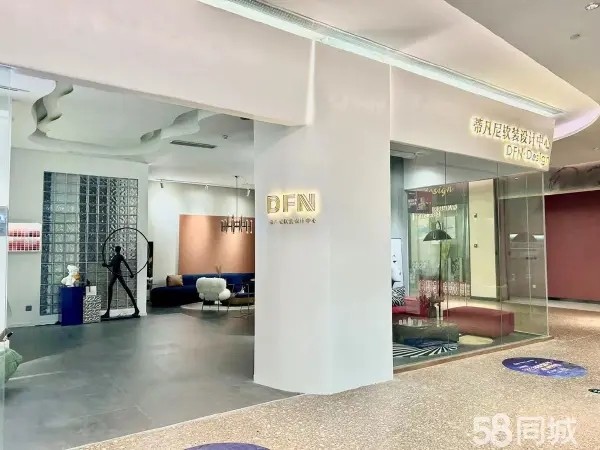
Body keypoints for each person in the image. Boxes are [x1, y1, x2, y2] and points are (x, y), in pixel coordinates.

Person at [101, 245, 140, 318]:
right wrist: (105, 265)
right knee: (111, 287)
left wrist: (131, 273)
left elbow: (126, 265)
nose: (115, 249)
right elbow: (111, 265)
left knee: (125, 288)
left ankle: (136, 309)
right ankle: (108, 312)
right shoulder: (115, 257)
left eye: (116, 248)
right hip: (115, 274)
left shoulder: (120, 256)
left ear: (117, 250)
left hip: (118, 274)